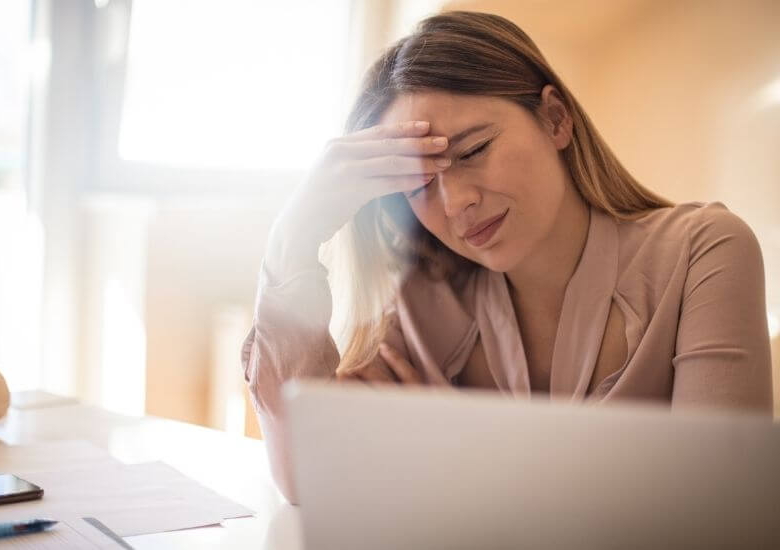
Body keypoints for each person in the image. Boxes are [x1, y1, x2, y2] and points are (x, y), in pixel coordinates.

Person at [242, 11, 773, 504]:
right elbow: (307, 478)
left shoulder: (705, 252)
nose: (455, 203)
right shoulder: (422, 304)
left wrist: (448, 457)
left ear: (556, 118)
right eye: (418, 185)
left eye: (473, 151)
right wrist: (292, 237)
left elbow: (715, 504)